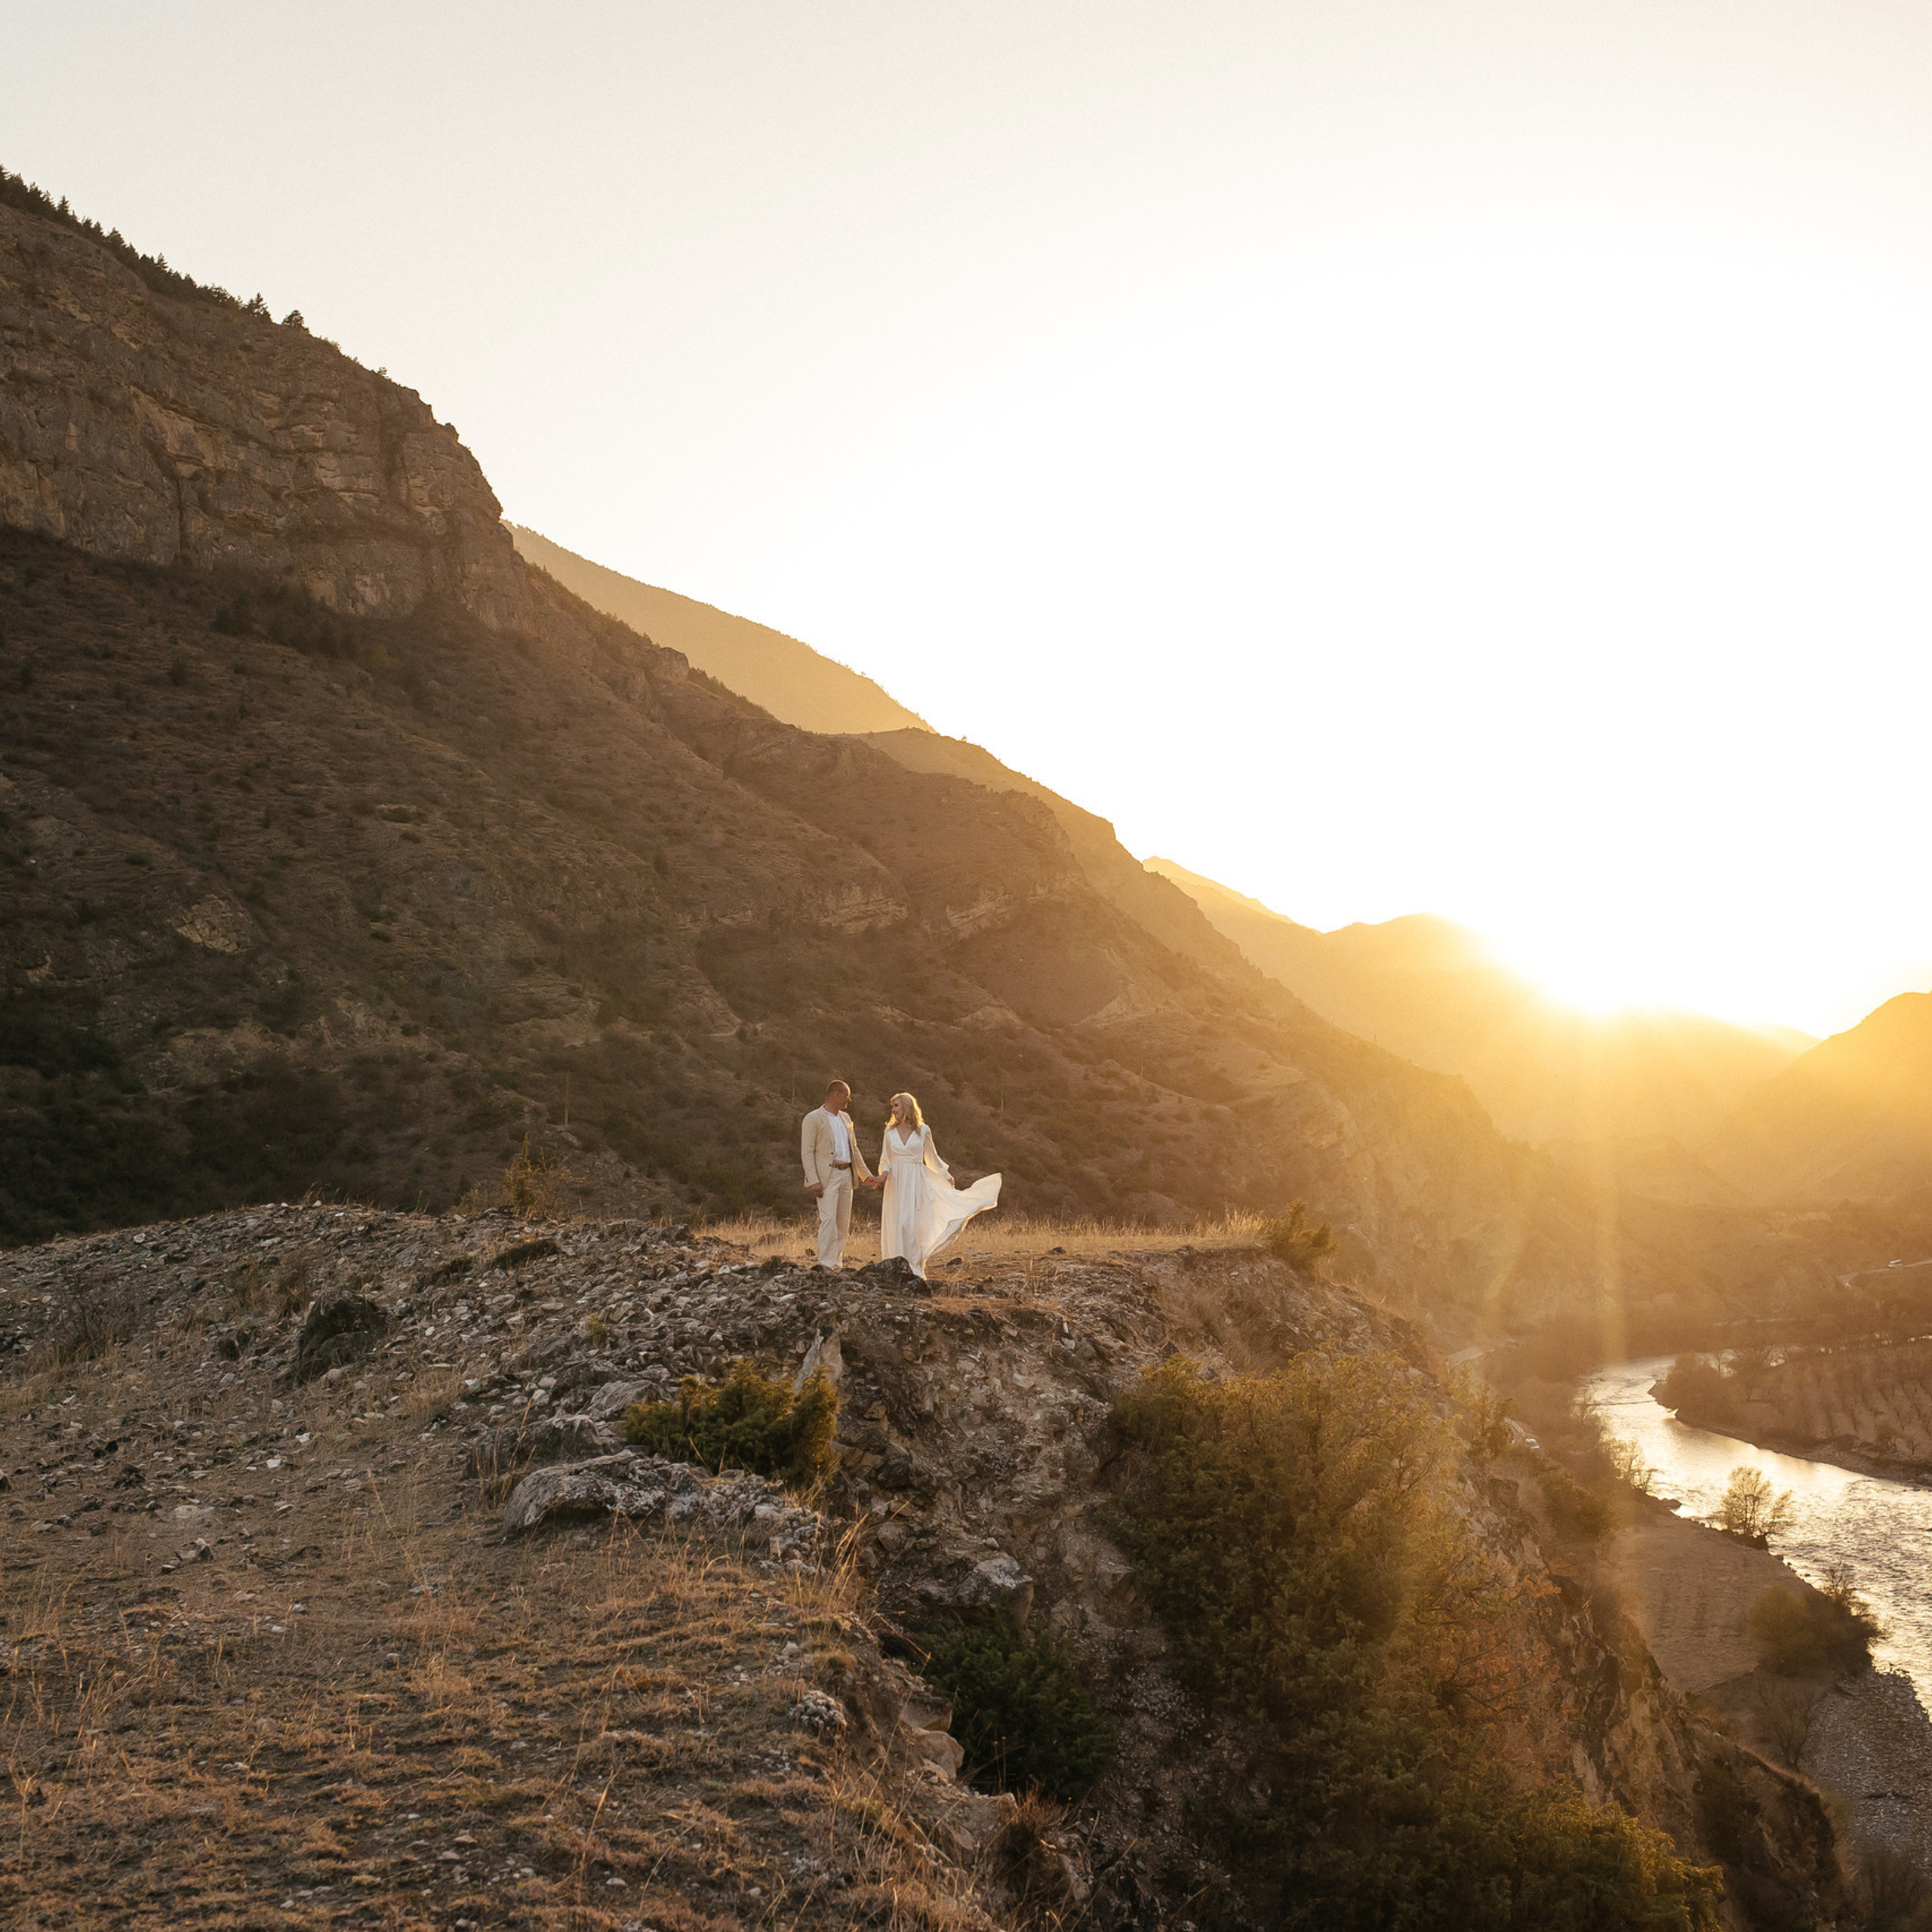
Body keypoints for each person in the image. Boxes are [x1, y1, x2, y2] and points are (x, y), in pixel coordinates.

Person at [876, 1091, 1001, 1279]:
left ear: (907, 1107)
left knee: (911, 1224)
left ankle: (914, 1267)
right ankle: (895, 1263)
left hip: (916, 1180)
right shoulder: (889, 1132)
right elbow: (885, 1159)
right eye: (892, 1106)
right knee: (897, 1223)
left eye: (896, 1106)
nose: (892, 1110)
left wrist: (945, 1175)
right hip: (896, 1182)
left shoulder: (923, 1130)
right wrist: (883, 1175)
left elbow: (931, 1157)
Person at [800, 1080, 878, 1269]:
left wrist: (866, 1176)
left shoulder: (846, 1119)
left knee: (843, 1223)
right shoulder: (813, 1118)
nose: (849, 1100)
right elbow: (807, 1152)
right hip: (827, 1176)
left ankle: (836, 1262)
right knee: (828, 1221)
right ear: (835, 1094)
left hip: (846, 1174)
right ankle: (825, 1263)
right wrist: (813, 1181)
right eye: (846, 1095)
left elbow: (854, 1150)